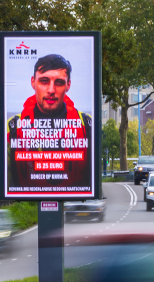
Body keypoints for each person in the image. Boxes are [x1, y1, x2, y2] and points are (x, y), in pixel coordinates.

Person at [7, 54, 93, 192]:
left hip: (70, 208)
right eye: (44, 81)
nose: (51, 90)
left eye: (59, 82)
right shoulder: (13, 127)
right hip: (29, 210)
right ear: (33, 82)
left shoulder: (86, 126)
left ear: (68, 85)